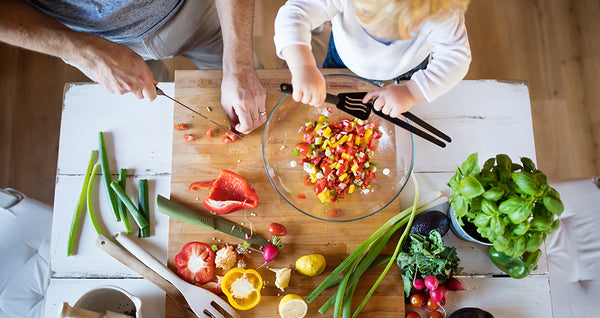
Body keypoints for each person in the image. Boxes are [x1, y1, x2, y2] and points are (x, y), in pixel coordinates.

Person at [0, 0, 267, 134]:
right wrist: (89, 54)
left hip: (191, 10)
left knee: (248, 100)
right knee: (158, 123)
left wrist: (239, 64)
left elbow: (239, 66)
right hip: (86, 38)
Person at [274, 0, 471, 118]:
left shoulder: (442, 10)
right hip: (344, 60)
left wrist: (413, 91)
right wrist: (304, 67)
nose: (387, 39)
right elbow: (295, 12)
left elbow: (455, 57)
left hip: (408, 71)